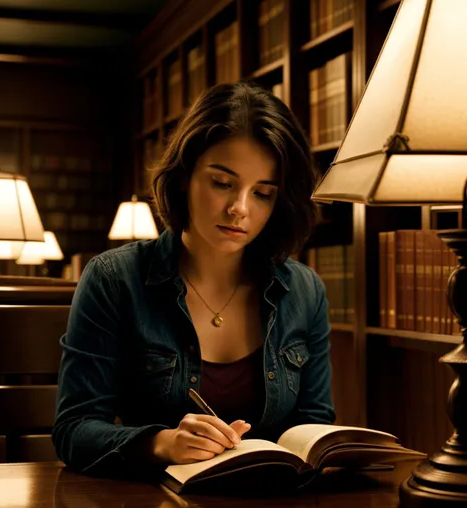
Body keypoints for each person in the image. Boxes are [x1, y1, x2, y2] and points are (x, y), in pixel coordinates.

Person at [53, 81, 335, 478]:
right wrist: (161, 443)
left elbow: (313, 425)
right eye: (222, 183)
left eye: (263, 193)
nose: (239, 208)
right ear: (185, 176)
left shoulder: (305, 291)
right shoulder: (114, 279)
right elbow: (73, 431)